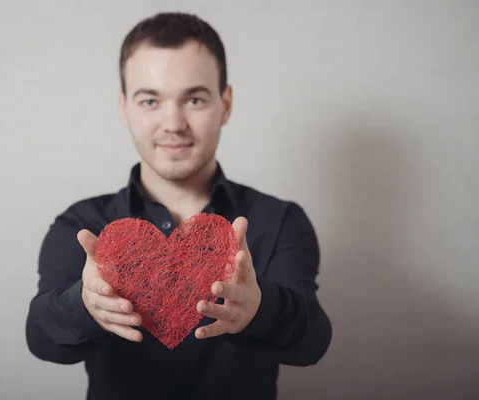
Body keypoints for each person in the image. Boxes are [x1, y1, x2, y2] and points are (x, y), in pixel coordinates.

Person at [25, 11, 332, 400]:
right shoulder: (83, 224)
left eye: (194, 99)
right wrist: (86, 305)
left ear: (226, 103)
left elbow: (314, 342)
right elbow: (40, 338)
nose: (173, 123)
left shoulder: (279, 221)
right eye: (150, 100)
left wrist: (260, 308)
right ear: (125, 108)